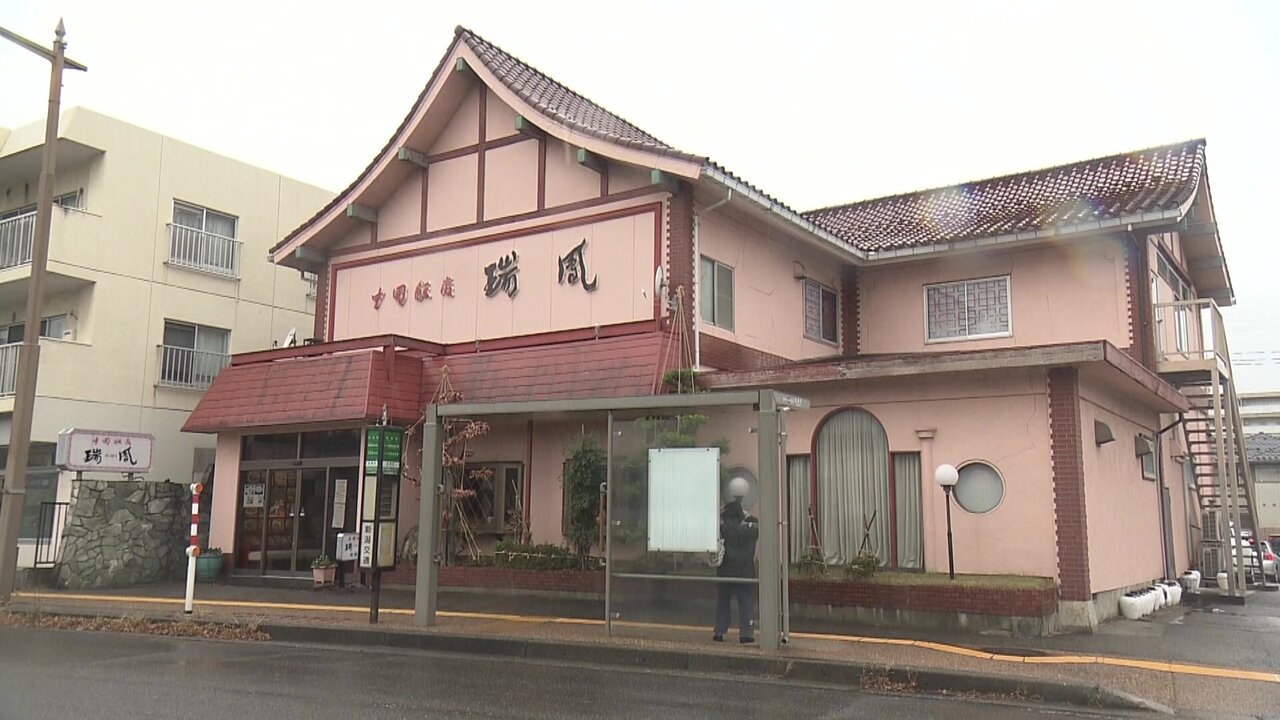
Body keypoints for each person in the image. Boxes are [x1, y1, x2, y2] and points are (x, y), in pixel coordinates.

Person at [714, 476, 759, 644]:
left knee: (723, 601)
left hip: (726, 570)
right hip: (745, 571)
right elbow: (757, 526)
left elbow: (722, 527)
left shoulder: (724, 528)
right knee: (746, 601)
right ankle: (746, 634)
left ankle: (719, 631)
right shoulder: (750, 530)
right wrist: (748, 518)